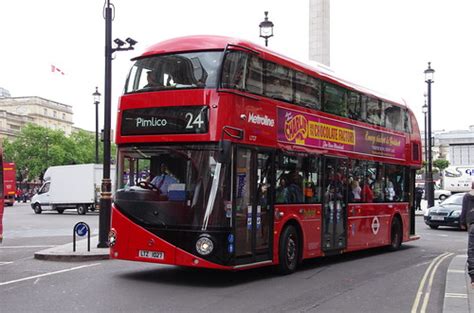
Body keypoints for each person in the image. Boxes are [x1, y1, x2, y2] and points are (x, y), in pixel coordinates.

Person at [460, 182, 474, 287]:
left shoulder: (467, 196)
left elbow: (464, 210)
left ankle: (473, 277)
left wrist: (462, 223)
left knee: (472, 249)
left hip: (472, 224)